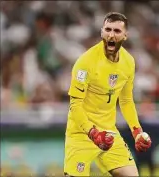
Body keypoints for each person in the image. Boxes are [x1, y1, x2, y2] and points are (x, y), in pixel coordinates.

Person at [64, 12, 152, 177]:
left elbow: (125, 101)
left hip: (109, 132)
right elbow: (75, 106)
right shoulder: (85, 63)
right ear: (102, 32)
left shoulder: (128, 62)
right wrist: (93, 133)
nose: (111, 35)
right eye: (108, 29)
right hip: (82, 133)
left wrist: (137, 132)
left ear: (125, 35)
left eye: (117, 31)